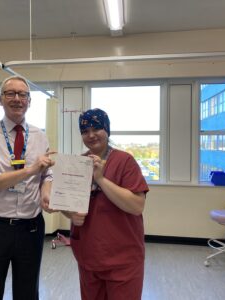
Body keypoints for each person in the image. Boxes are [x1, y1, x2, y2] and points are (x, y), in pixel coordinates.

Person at [0, 75, 55, 300]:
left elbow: (47, 172)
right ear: (0, 99)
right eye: (11, 93)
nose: (17, 99)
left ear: (29, 101)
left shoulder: (39, 135)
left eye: (23, 94)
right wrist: (29, 170)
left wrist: (46, 193)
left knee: (28, 292)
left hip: (31, 227)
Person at [63, 108, 149, 300]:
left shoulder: (125, 161)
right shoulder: (79, 163)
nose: (91, 135)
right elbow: (68, 206)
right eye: (85, 131)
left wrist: (100, 179)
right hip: (88, 256)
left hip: (122, 258)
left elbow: (136, 206)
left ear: (107, 130)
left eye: (96, 128)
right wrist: (69, 213)